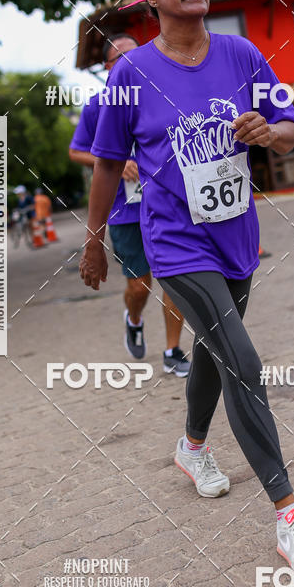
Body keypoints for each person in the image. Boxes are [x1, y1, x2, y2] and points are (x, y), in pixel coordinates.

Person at [79, 0, 294, 570]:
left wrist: (267, 131)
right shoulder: (130, 73)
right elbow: (109, 164)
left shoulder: (242, 54)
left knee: (213, 351)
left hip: (237, 238)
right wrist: (94, 242)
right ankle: (289, 515)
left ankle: (193, 444)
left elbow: (287, 129)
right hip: (175, 242)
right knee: (242, 361)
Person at [69, 33, 191, 376]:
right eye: (121, 59)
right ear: (108, 69)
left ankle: (172, 350)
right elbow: (76, 150)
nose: (131, 64)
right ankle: (134, 318)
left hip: (168, 204)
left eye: (137, 57)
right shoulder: (98, 106)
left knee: (177, 278)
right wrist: (114, 159)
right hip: (124, 210)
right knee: (140, 285)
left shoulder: (164, 96)